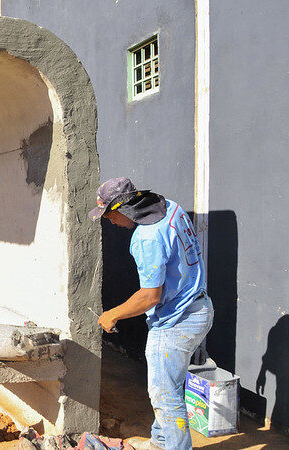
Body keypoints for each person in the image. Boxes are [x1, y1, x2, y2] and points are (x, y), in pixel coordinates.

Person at [90, 177, 214, 450]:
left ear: (123, 209)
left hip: (175, 323)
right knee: (168, 385)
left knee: (165, 396)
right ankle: (160, 442)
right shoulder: (169, 207)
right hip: (199, 307)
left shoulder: (147, 239)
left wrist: (112, 314)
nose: (109, 222)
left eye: (110, 216)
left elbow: (149, 296)